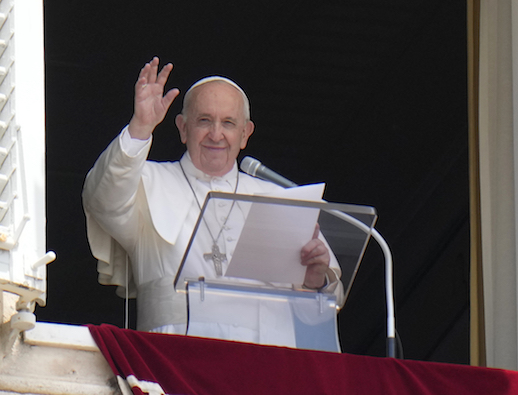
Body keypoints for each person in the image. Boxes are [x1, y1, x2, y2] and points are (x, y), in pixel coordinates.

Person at [83, 57, 338, 345]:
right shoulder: (146, 181)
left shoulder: (278, 198)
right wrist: (140, 127)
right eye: (204, 121)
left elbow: (317, 315)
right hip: (172, 354)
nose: (216, 134)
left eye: (228, 123)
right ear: (182, 128)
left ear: (245, 134)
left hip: (267, 360)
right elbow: (103, 199)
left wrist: (315, 279)